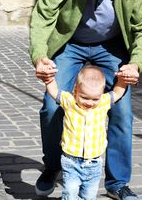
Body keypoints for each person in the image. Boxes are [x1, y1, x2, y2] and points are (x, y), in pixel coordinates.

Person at [29, 0, 142, 200]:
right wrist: (40, 56)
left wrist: (135, 63)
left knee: (121, 111)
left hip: (111, 45)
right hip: (71, 43)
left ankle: (117, 182)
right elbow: (43, 16)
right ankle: (52, 168)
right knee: (52, 106)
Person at [43, 64, 127, 200]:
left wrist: (122, 81)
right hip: (71, 161)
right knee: (70, 192)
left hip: (94, 163)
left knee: (89, 196)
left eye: (95, 98)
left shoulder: (103, 103)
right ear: (76, 91)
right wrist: (49, 80)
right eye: (85, 97)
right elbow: (54, 92)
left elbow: (117, 93)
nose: (90, 102)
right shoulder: (69, 101)